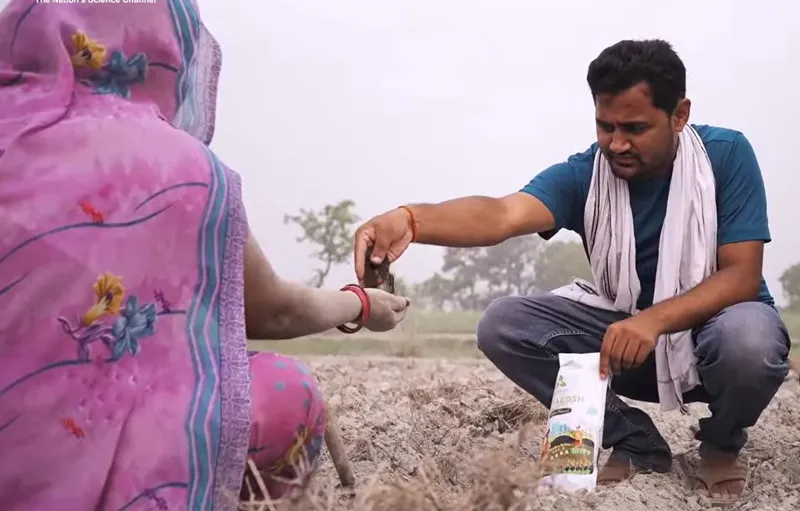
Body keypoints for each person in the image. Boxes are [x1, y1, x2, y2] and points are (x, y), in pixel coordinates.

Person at [0, 1, 410, 510]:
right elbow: (272, 309)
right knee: (288, 390)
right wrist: (362, 304)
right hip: (62, 464)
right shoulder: (182, 173)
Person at [354, 39, 789, 505]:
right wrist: (411, 220)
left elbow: (742, 276)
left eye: (635, 128)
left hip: (713, 339)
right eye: (606, 126)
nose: (616, 143)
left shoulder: (725, 156)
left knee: (750, 342)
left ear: (679, 115)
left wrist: (653, 320)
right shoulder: (587, 174)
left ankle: (722, 443)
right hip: (628, 341)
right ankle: (635, 438)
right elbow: (502, 215)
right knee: (504, 324)